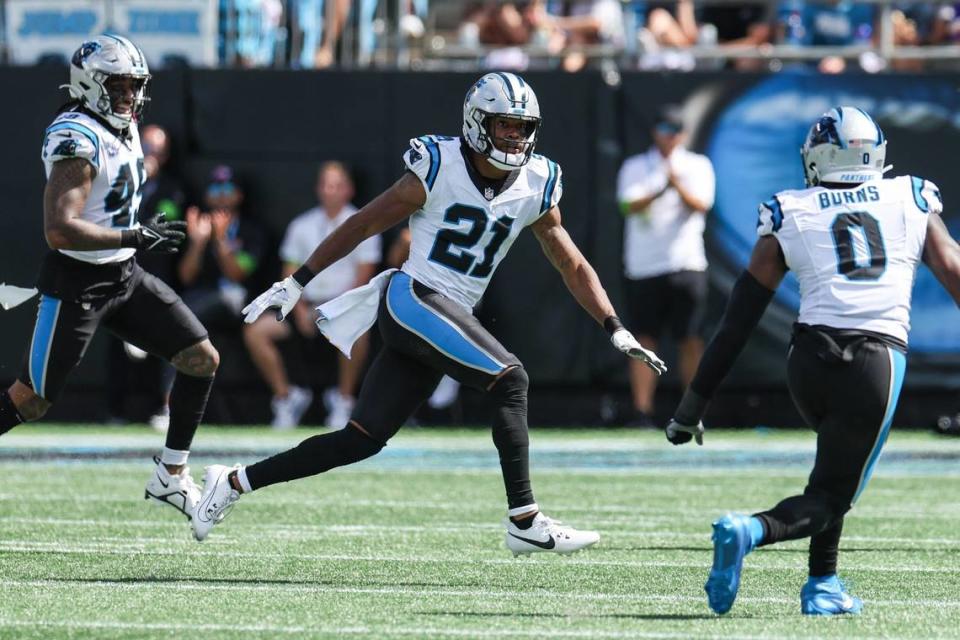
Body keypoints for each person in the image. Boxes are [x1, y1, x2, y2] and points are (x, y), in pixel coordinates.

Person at [189, 72, 667, 553]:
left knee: (360, 439)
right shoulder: (439, 164)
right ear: (478, 123)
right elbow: (363, 224)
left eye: (523, 127)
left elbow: (571, 262)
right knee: (510, 379)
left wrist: (614, 327)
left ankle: (231, 482)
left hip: (446, 313)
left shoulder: (537, 182)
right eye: (505, 126)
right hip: (414, 297)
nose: (515, 137)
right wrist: (298, 279)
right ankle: (524, 519)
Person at [665, 107, 960, 615]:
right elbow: (953, 268)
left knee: (834, 467)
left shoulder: (792, 208)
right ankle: (751, 529)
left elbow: (737, 322)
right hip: (874, 361)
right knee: (831, 496)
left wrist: (691, 406)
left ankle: (822, 584)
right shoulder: (909, 195)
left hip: (807, 361)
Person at [1, 35, 219, 522]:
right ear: (88, 83)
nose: (130, 97)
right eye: (119, 86)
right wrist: (135, 235)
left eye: (135, 86)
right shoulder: (76, 135)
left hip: (123, 275)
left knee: (200, 358)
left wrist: (131, 244)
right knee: (30, 400)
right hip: (77, 281)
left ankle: (171, 475)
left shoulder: (124, 125)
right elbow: (59, 230)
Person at [243, 162, 380, 429]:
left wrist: (332, 310)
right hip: (303, 307)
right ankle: (286, 399)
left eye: (337, 185)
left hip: (343, 308)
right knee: (256, 332)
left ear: (349, 190)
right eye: (326, 184)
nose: (331, 191)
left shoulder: (364, 222)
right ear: (318, 189)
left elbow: (364, 275)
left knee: (360, 332)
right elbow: (289, 272)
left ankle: (344, 400)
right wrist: (301, 309)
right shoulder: (301, 225)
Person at [617, 106, 715, 427]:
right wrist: (661, 187)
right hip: (644, 267)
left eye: (675, 130)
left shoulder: (698, 165)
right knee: (644, 339)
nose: (669, 136)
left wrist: (676, 184)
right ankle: (642, 411)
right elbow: (626, 205)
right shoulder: (634, 166)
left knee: (690, 339)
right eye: (663, 128)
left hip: (686, 264)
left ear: (683, 134)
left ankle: (692, 412)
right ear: (654, 132)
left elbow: (702, 204)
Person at [106, 123, 190, 431]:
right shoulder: (118, 183)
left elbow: (163, 227)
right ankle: (115, 409)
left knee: (164, 343)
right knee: (116, 344)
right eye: (148, 148)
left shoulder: (172, 189)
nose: (152, 156)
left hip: (156, 278)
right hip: (117, 274)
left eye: (158, 151)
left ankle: (163, 407)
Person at [178, 165, 267, 332]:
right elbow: (186, 277)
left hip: (240, 298)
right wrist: (197, 243)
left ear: (239, 195)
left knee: (188, 314)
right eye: (214, 189)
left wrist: (220, 238)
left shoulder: (253, 230)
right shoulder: (201, 227)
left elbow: (236, 275)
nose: (220, 195)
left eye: (227, 189)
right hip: (201, 295)